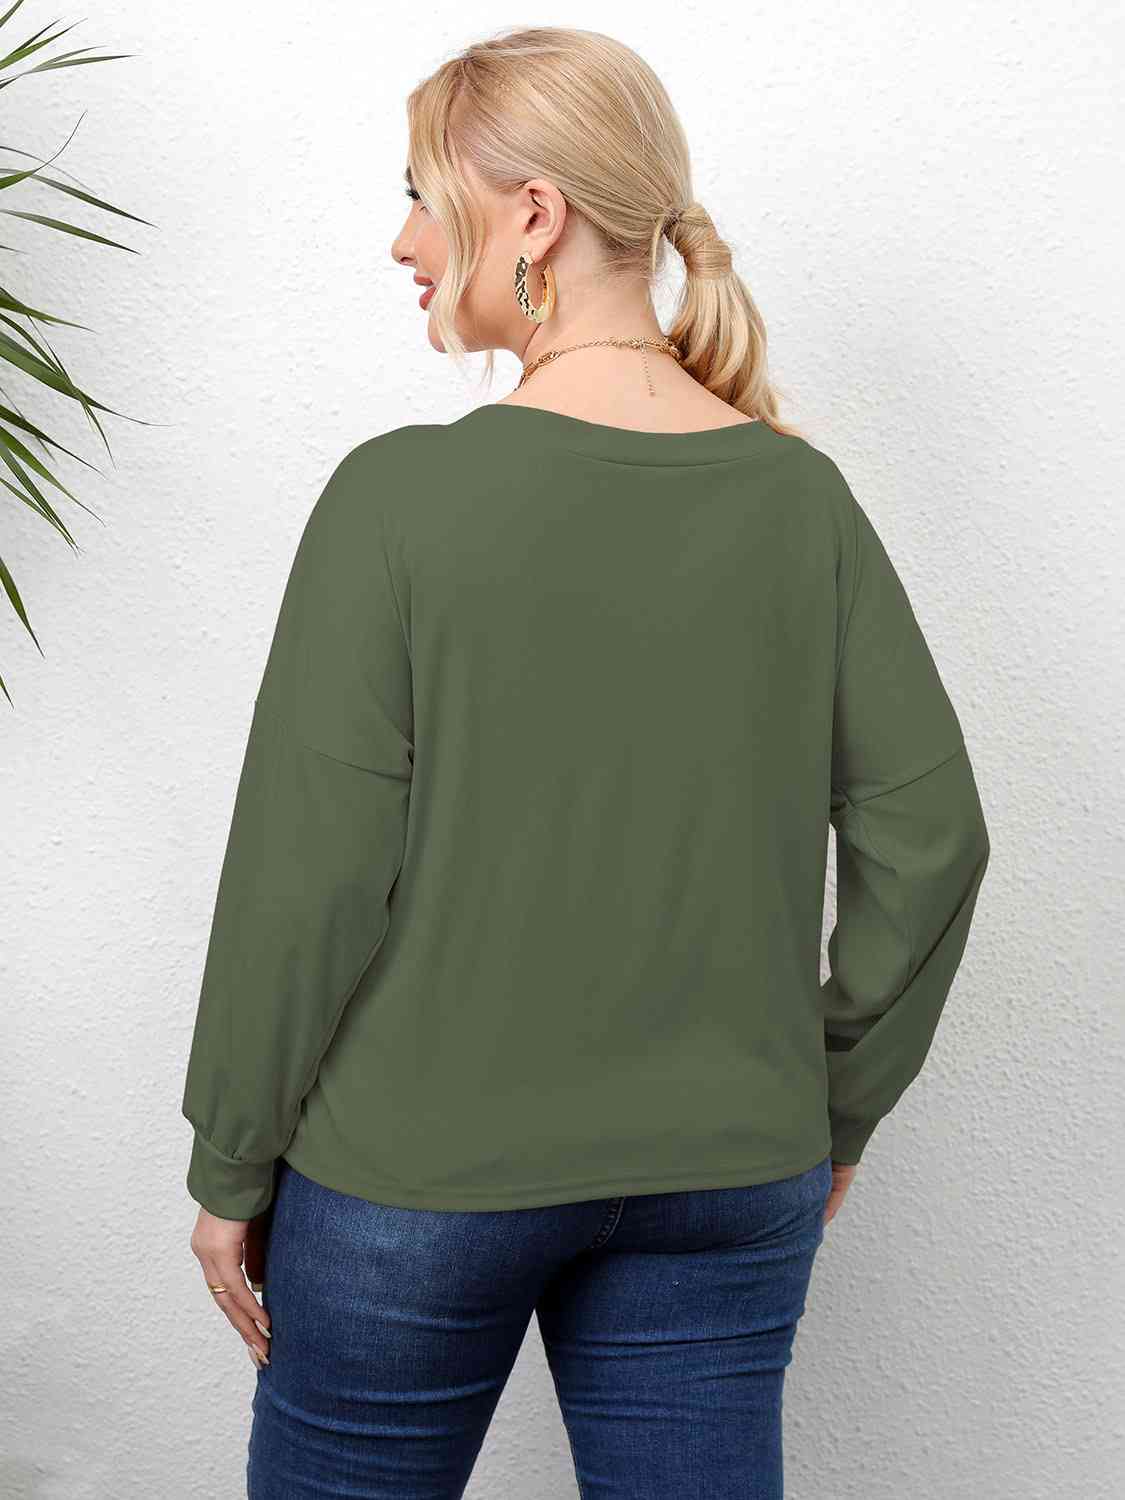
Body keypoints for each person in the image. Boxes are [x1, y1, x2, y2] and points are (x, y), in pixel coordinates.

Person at [181, 25, 991, 1499]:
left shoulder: (398, 500)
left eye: (422, 197)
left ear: (535, 215)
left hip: (416, 1179)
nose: (404, 242)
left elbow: (308, 877)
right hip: (728, 1173)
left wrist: (231, 1161)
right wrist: (830, 1102)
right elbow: (932, 839)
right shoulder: (798, 502)